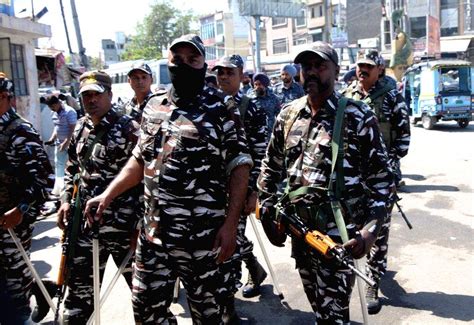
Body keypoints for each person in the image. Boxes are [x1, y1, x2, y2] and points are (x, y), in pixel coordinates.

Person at [85, 34, 252, 324]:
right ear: (168, 62)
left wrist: (231, 225)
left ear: (203, 64)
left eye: (193, 59)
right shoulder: (153, 106)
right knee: (146, 311)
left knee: (209, 316)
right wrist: (107, 195)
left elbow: (239, 166)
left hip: (203, 239)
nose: (185, 65)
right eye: (178, 59)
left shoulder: (221, 107)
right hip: (154, 236)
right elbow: (139, 158)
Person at [257, 42, 393, 324]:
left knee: (333, 315)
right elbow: (270, 168)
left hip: (338, 239)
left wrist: (369, 234)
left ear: (336, 70)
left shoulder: (357, 116)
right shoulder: (288, 115)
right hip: (300, 232)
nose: (312, 73)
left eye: (320, 66)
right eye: (307, 67)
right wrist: (267, 212)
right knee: (318, 307)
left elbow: (382, 182)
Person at [56, 71, 142, 324]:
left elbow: (147, 181)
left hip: (123, 229)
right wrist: (64, 200)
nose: (91, 100)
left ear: (110, 95)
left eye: (97, 94)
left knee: (146, 298)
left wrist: (138, 227)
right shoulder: (81, 127)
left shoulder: (129, 129)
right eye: (86, 96)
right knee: (78, 302)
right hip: (85, 228)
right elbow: (72, 168)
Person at [342, 49, 410, 314]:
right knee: (347, 227)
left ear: (380, 69)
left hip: (381, 177)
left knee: (378, 230)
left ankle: (373, 280)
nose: (363, 70)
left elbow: (403, 137)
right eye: (360, 65)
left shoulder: (392, 97)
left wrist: (389, 165)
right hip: (351, 176)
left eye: (368, 66)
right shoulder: (346, 96)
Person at [212, 54, 268, 321]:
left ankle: (228, 307)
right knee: (221, 241)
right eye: (220, 72)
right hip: (210, 190)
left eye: (229, 72)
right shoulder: (208, 104)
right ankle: (254, 268)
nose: (223, 77)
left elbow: (261, 153)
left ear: (242, 75)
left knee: (230, 246)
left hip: (240, 189)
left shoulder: (252, 108)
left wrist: (255, 190)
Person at [0, 75, 53, 324]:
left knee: (14, 281)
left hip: (12, 221)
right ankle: (41, 291)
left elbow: (44, 180)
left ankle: (24, 313)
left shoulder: (20, 132)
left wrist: (20, 210)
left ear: (5, 98)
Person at [43, 94, 77, 196]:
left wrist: (66, 142)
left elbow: (72, 128)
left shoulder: (69, 111)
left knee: (71, 166)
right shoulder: (54, 113)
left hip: (71, 144)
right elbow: (57, 127)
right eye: (50, 107)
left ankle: (71, 190)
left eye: (52, 106)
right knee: (59, 166)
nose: (52, 109)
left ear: (57, 103)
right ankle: (60, 189)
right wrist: (52, 139)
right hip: (59, 143)